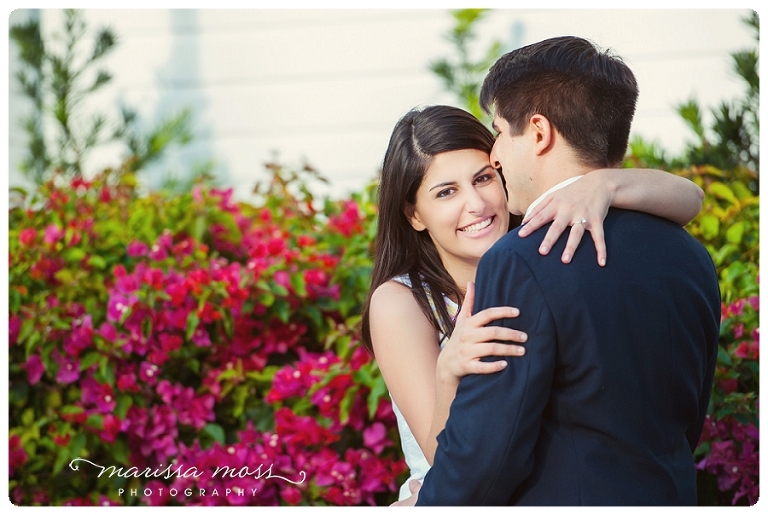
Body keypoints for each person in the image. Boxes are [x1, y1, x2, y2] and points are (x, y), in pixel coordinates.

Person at [412, 37, 721, 506]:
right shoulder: (688, 253)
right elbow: (687, 418)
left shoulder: (521, 259)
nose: (494, 155)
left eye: (498, 131)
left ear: (538, 132)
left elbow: (487, 459)